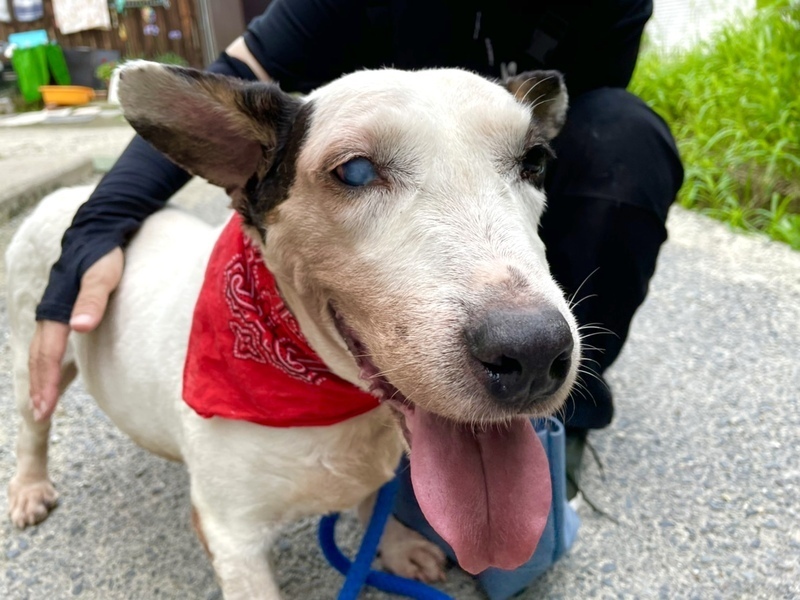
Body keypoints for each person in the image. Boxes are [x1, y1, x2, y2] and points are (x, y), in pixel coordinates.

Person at [31, 0, 681, 514]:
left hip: (482, 186)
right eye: (358, 170)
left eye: (527, 159)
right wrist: (99, 223)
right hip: (351, 185)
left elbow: (578, 129)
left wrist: (515, 175)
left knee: (622, 133)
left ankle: (565, 418)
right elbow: (239, 74)